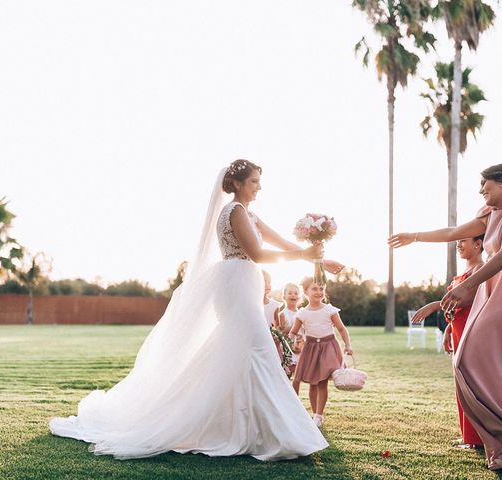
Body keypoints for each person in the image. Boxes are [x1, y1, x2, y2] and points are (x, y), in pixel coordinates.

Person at [49, 159, 344, 461]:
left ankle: (246, 428)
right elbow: (257, 253)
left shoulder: (251, 215)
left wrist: (317, 260)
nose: (259, 186)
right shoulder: (234, 212)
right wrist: (304, 253)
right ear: (239, 183)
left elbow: (282, 243)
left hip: (244, 284)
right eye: (254, 181)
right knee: (258, 350)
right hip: (236, 284)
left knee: (241, 352)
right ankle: (279, 433)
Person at [389, 164, 502, 473]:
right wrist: (415, 236)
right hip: (491, 289)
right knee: (469, 361)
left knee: (472, 360)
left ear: (501, 182)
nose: (481, 190)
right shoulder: (490, 211)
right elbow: (454, 233)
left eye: (485, 185)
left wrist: (468, 284)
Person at [411, 236, 484, 449]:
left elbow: (469, 300)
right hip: (458, 330)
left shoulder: (482, 268)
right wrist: (449, 330)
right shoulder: (463, 271)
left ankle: (477, 439)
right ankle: (467, 436)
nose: (458, 245)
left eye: (464, 240)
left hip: (473, 332)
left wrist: (435, 305)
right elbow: (455, 309)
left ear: (478, 244)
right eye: (457, 241)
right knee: (460, 384)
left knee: (472, 384)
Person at [288, 277, 353, 428]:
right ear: (305, 292)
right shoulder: (303, 313)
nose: (319, 292)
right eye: (314, 289)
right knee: (313, 383)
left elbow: (342, 329)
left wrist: (348, 344)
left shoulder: (329, 310)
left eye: (321, 289)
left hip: (328, 347)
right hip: (310, 349)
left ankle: (318, 415)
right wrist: (292, 340)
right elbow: (293, 332)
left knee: (322, 382)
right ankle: (314, 413)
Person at [277, 282, 304, 380]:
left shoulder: (302, 313)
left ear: (300, 297)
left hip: (301, 346)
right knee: (289, 373)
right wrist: (293, 328)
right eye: (290, 293)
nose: (293, 295)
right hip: (289, 347)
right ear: (284, 297)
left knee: (300, 375)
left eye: (296, 293)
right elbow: (282, 333)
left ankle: (294, 393)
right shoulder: (283, 314)